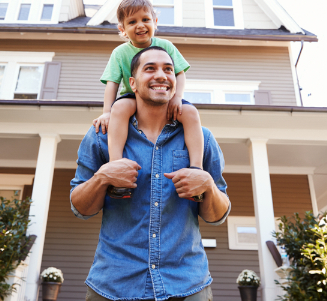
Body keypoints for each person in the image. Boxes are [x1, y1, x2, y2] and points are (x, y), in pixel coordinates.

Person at [71, 47, 231, 301]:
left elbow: (218, 215)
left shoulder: (201, 138)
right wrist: (103, 177)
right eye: (150, 68)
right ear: (132, 83)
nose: (162, 75)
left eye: (168, 69)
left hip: (187, 285)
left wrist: (208, 186)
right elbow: (80, 207)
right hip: (114, 285)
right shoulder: (102, 136)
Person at [92, 0, 204, 198]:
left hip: (164, 96)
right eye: (132, 22)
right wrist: (107, 112)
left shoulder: (166, 46)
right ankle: (116, 167)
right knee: (120, 109)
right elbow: (112, 84)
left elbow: (179, 73)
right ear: (122, 29)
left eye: (145, 19)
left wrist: (177, 97)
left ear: (155, 22)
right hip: (132, 96)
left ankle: (196, 169)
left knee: (190, 112)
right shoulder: (120, 53)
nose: (140, 25)